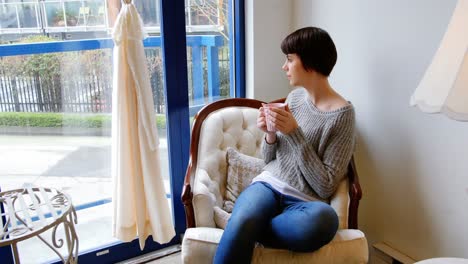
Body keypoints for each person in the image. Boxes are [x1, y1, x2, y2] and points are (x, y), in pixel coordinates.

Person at [213, 26, 356, 264]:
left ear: (309, 62)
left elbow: (326, 186)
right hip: (268, 186)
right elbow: (269, 160)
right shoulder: (295, 99)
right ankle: (244, 222)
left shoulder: (343, 115)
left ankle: (243, 226)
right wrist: (270, 134)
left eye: (290, 59)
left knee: (325, 221)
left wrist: (294, 133)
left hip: (304, 204)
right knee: (247, 216)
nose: (284, 66)